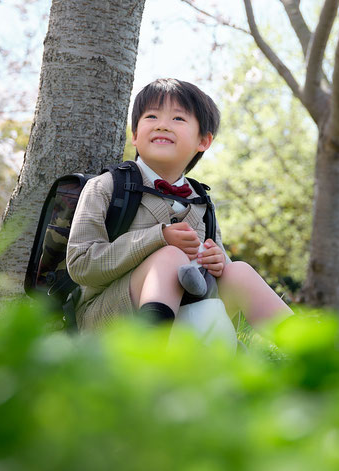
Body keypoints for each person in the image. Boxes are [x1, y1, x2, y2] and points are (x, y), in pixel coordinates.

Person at [66, 78, 293, 332]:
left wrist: (217, 262)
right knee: (170, 256)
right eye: (151, 116)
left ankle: (310, 351)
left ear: (203, 141)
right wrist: (158, 238)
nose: (162, 125)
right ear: (135, 135)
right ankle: (151, 356)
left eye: (178, 119)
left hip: (191, 315)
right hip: (110, 319)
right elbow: (80, 265)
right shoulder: (107, 186)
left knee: (238, 271)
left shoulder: (202, 201)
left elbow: (218, 270)